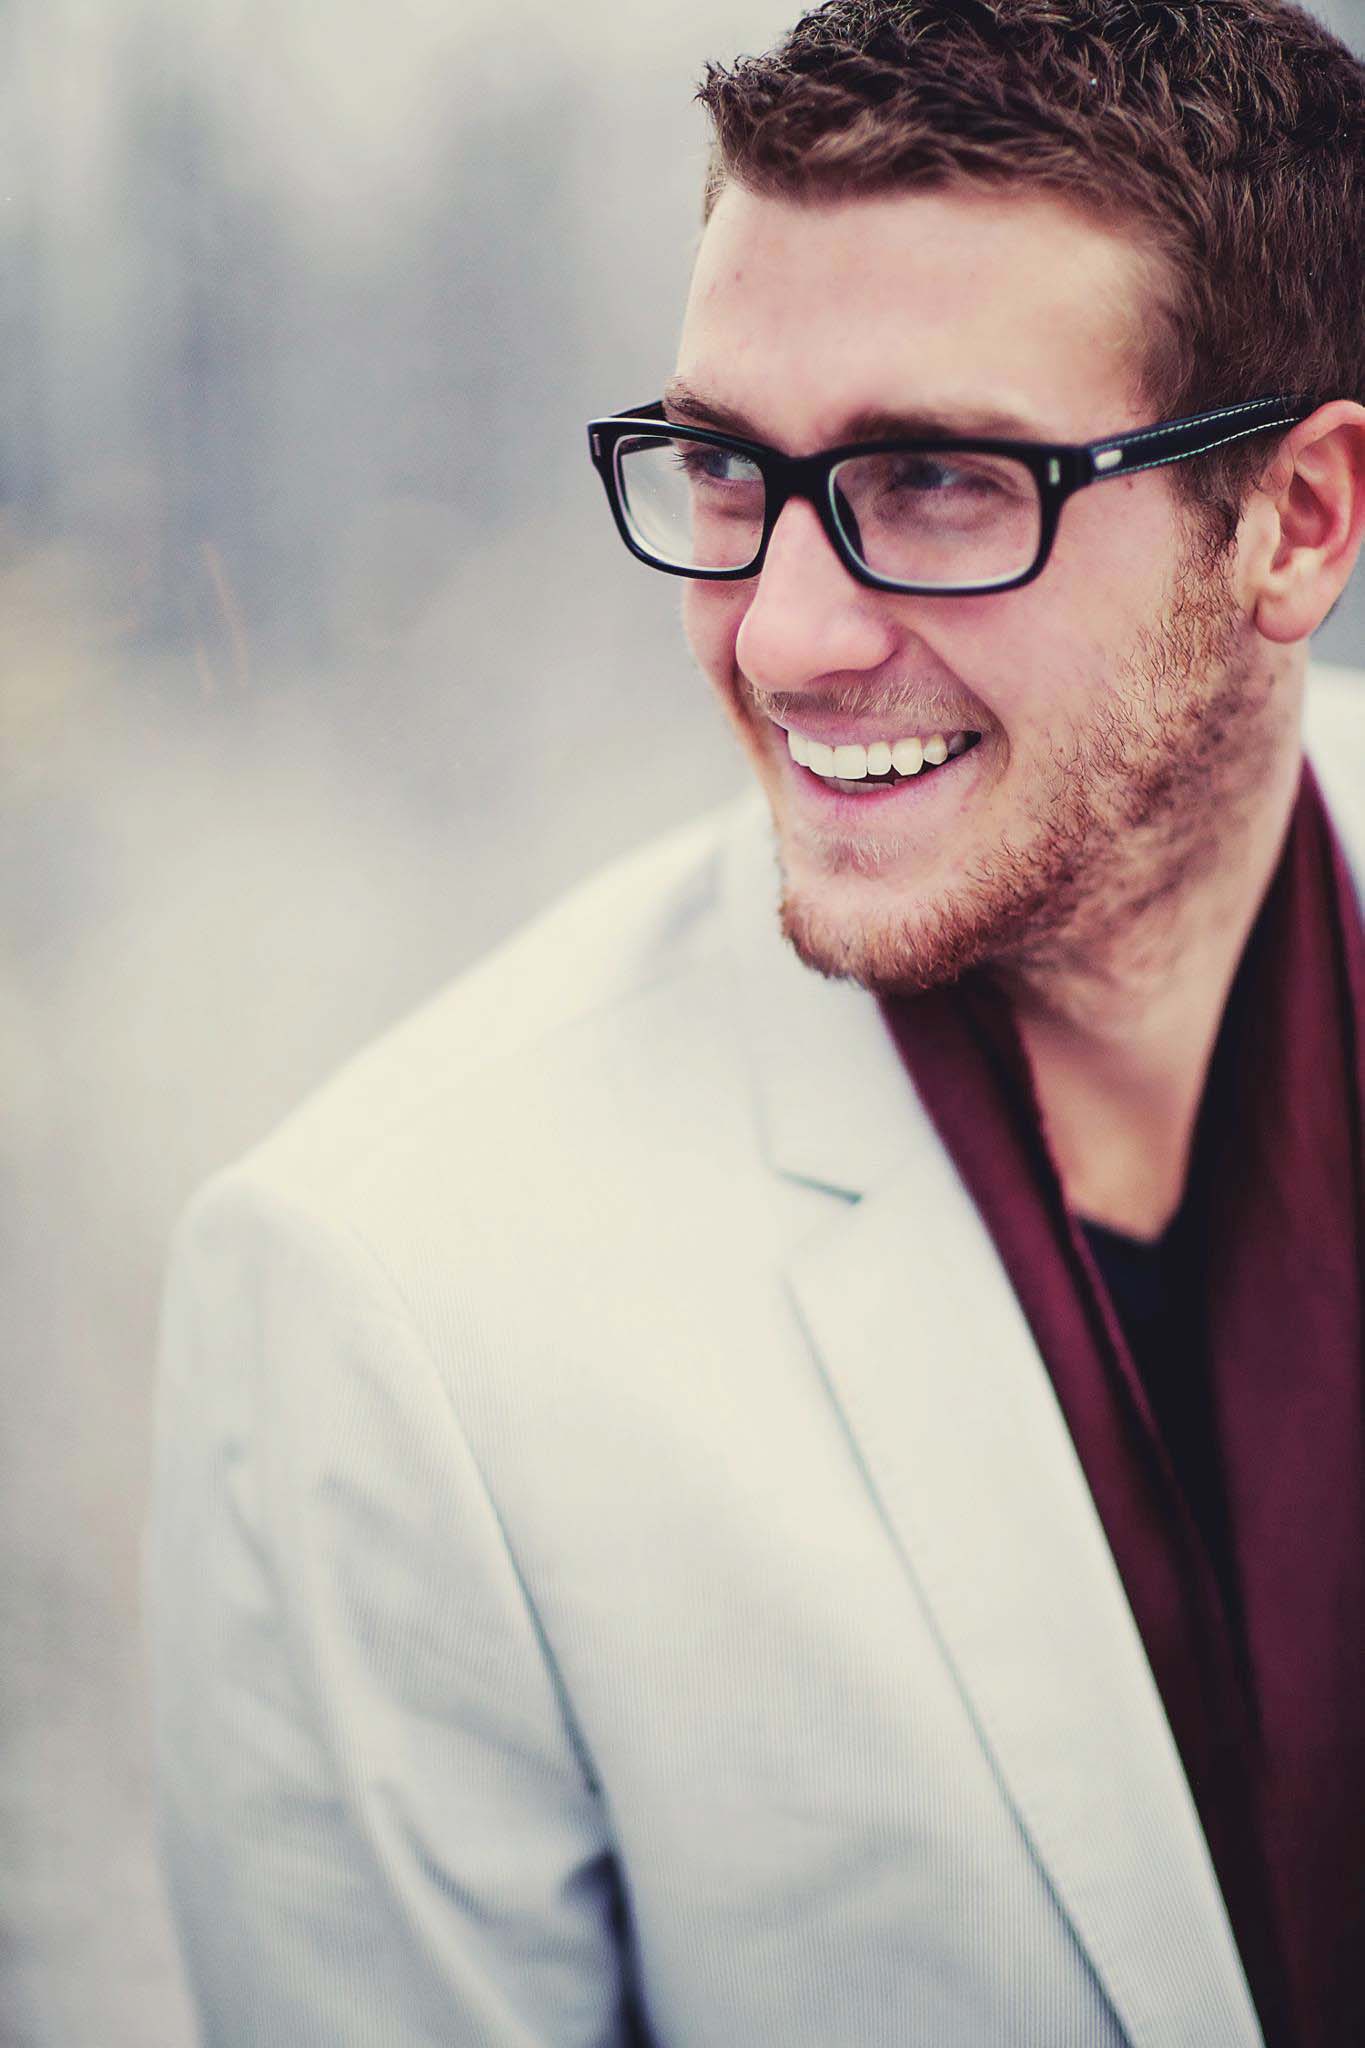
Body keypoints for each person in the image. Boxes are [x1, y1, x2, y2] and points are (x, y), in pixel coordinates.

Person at [147, 3, 1365, 2043]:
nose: (781, 636)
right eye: (723, 463)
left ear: (1298, 519)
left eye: (941, 479)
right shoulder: (385, 1296)